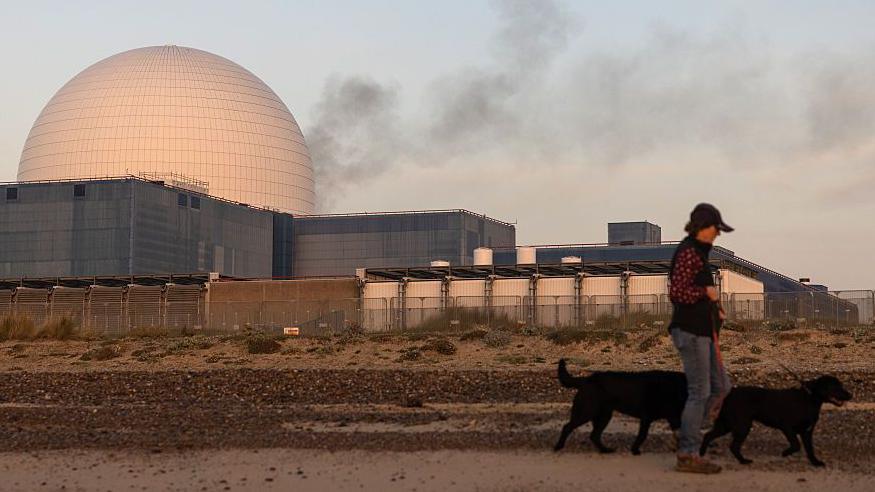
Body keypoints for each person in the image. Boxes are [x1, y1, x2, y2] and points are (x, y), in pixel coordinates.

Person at [669, 203, 733, 474]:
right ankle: (688, 451)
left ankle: (688, 433)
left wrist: (715, 308)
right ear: (703, 228)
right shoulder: (688, 253)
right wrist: (706, 296)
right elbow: (678, 293)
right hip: (691, 332)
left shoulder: (699, 255)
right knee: (700, 392)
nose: (717, 234)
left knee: (721, 387)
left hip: (704, 333)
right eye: (715, 229)